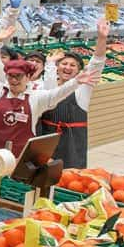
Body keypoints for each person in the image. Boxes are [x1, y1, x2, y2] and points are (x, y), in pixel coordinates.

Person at [0, 30, 99, 201]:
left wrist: (76, 82)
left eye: (18, 77)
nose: (13, 80)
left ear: (28, 77)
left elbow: (57, 94)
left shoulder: (36, 98)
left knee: (13, 199)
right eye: (10, 76)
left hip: (20, 160)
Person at [40, 18, 109, 168]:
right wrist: (50, 64)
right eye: (64, 63)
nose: (68, 67)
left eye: (73, 65)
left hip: (71, 142)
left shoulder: (82, 89)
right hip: (46, 137)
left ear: (79, 71)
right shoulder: (48, 85)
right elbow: (50, 85)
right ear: (57, 67)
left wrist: (102, 38)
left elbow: (97, 62)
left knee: (70, 178)